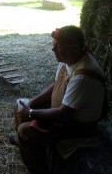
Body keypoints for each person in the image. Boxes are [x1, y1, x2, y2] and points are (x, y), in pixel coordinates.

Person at [9, 25, 106, 174]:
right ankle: (24, 145)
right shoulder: (67, 59)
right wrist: (32, 103)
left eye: (58, 46)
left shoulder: (83, 76)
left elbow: (64, 114)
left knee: (25, 131)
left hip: (76, 125)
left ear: (74, 46)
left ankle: (38, 169)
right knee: (19, 105)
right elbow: (56, 85)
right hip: (63, 109)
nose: (53, 50)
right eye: (53, 45)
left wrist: (31, 112)